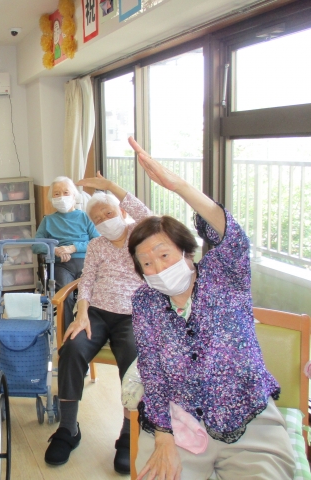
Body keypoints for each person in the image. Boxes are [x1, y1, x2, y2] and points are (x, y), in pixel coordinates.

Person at [126, 137, 295, 479]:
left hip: (249, 420)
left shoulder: (224, 276)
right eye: (147, 263)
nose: (158, 268)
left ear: (187, 251)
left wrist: (179, 186)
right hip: (181, 423)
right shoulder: (145, 302)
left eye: (164, 254)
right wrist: (163, 435)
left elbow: (233, 237)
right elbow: (152, 370)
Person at [43, 174, 151, 474]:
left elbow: (149, 215)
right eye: (97, 218)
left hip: (133, 316)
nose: (104, 220)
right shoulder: (96, 245)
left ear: (122, 211)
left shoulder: (139, 234)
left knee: (134, 358)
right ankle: (68, 429)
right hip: (96, 314)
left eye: (109, 213)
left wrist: (111, 188)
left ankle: (129, 432)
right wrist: (81, 313)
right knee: (71, 348)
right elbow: (87, 281)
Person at [32, 176, 99, 329]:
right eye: (56, 194)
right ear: (51, 198)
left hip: (87, 263)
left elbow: (98, 242)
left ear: (74, 195)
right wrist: (54, 250)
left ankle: (90, 329)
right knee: (65, 295)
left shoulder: (85, 217)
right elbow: (36, 246)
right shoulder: (48, 221)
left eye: (65, 192)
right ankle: (67, 332)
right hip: (62, 265)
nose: (61, 197)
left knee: (94, 294)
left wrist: (73, 247)